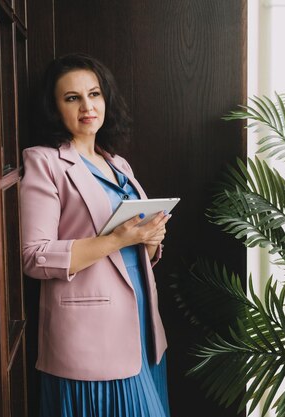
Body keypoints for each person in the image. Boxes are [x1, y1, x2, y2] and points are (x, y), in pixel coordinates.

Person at [20, 53, 172, 417]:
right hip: (90, 338)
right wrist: (118, 239)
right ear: (55, 108)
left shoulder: (117, 162)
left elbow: (136, 252)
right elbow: (33, 256)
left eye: (95, 94)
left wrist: (150, 240)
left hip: (142, 329)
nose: (87, 106)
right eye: (72, 98)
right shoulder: (44, 162)